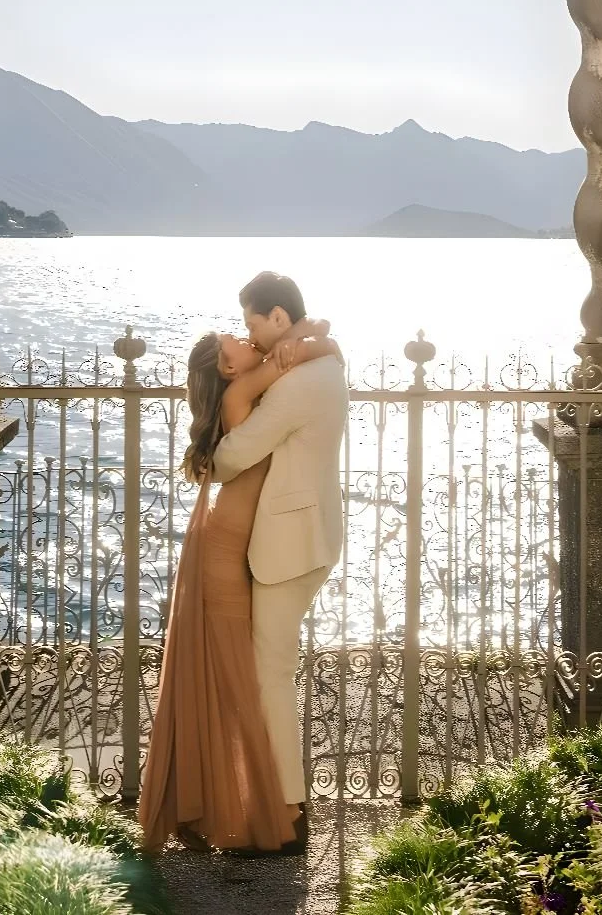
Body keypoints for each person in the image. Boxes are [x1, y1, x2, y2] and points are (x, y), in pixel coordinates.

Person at [138, 299, 342, 855]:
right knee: (234, 675)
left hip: (238, 540)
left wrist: (315, 337)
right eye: (234, 338)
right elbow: (234, 457)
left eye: (246, 326)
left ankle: (232, 803)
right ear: (227, 368)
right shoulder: (240, 391)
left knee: (227, 674)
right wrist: (317, 340)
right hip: (227, 544)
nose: (245, 338)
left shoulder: (252, 382)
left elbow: (311, 341)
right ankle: (273, 812)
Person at [211, 272, 349, 855]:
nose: (251, 337)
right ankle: (278, 800)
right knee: (272, 672)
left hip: (289, 547)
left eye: (252, 325)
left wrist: (209, 455)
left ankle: (288, 814)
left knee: (272, 676)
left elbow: (235, 456)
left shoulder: (298, 383)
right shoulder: (322, 366)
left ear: (277, 318)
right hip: (308, 536)